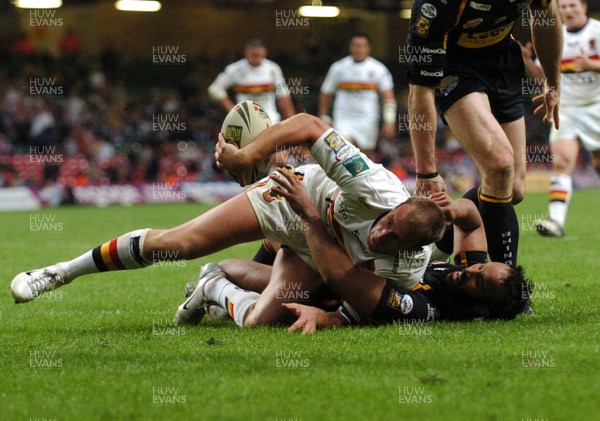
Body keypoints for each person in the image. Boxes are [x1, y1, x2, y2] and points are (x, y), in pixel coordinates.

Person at [10, 113, 446, 329]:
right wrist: (247, 156)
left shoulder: (406, 269)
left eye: (392, 236)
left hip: (316, 243)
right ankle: (59, 272)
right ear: (397, 203)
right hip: (294, 196)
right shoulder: (374, 185)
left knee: (260, 323)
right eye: (389, 219)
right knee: (179, 244)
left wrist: (327, 316)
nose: (381, 229)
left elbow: (362, 302)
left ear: (409, 251)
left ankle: (212, 286)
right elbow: (312, 126)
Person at [175, 174, 532, 332]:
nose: (466, 271)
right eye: (478, 269)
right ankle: (228, 282)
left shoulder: (422, 310)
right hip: (324, 254)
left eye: (477, 282)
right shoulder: (467, 272)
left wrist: (323, 317)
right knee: (265, 308)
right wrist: (446, 213)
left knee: (263, 315)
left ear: (480, 309)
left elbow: (345, 279)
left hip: (328, 271)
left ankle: (214, 285)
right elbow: (471, 219)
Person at [406, 0, 562, 267]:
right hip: (453, 64)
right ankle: (505, 287)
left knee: (513, 190)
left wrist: (552, 81)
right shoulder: (435, 5)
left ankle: (440, 243)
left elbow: (546, 16)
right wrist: (427, 172)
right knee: (500, 164)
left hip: (502, 59)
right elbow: (420, 90)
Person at [521, 0, 600, 237]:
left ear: (584, 7)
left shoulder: (597, 31)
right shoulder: (555, 37)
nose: (567, 11)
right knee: (563, 162)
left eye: (572, 6)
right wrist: (526, 61)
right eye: (563, 7)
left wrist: (592, 65)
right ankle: (555, 222)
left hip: (597, 106)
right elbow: (544, 78)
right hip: (568, 109)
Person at [318, 33, 397, 160]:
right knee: (341, 153)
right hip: (343, 118)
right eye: (355, 45)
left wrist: (389, 121)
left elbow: (388, 98)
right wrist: (324, 116)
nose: (358, 49)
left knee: (366, 158)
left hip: (368, 119)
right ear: (350, 47)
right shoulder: (338, 68)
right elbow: (326, 93)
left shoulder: (378, 69)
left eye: (362, 46)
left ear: (368, 48)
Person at [207, 38, 295, 123]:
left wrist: (291, 122)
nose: (256, 58)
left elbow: (283, 97)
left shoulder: (273, 69)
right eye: (253, 55)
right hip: (245, 120)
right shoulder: (235, 69)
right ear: (246, 53)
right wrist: (232, 110)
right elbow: (214, 89)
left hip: (270, 118)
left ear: (264, 53)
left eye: (259, 55)